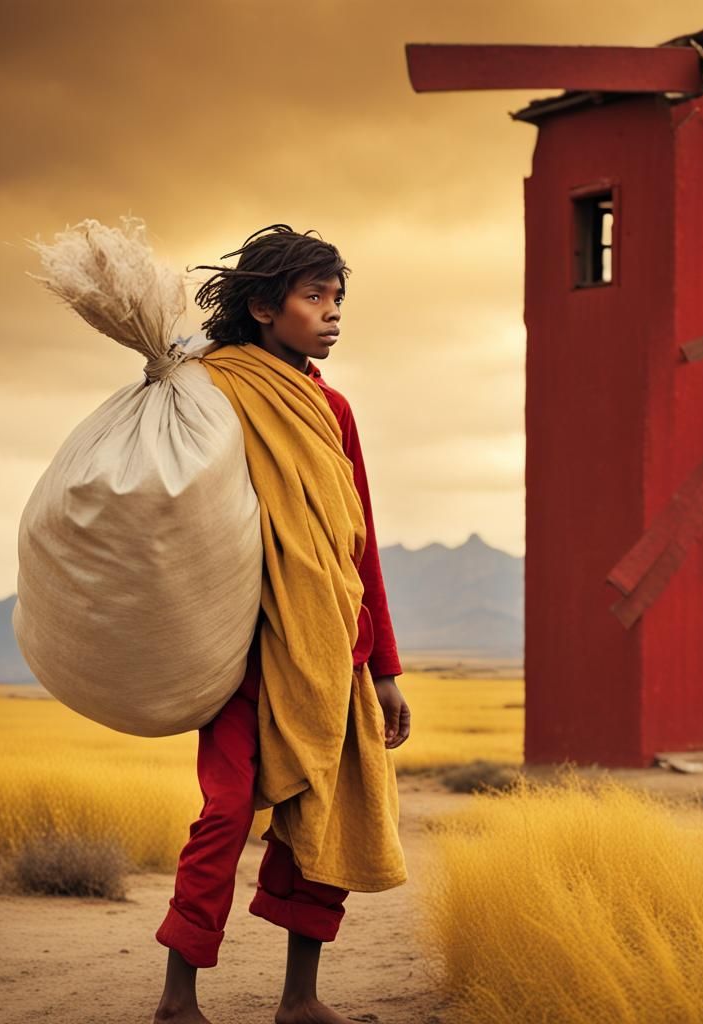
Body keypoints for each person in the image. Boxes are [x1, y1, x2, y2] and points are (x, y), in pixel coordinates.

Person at [152, 224, 412, 1024]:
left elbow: (355, 542)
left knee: (325, 820)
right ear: (264, 306)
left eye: (338, 299)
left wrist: (385, 670)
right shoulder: (214, 388)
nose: (332, 314)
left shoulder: (333, 410)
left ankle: (300, 999)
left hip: (332, 645)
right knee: (225, 812)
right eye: (314, 298)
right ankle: (176, 1000)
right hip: (242, 650)